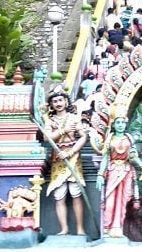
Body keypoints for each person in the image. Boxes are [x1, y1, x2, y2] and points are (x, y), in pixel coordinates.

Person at [44, 85, 87, 235]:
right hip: (58, 158)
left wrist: (72, 151)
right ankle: (64, 229)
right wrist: (62, 130)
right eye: (55, 101)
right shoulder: (50, 121)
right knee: (59, 195)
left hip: (73, 157)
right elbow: (47, 138)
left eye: (61, 100)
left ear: (66, 102)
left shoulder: (74, 118)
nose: (58, 103)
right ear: (51, 105)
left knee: (76, 193)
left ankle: (80, 229)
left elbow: (83, 137)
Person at [96, 116, 141, 238]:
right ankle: (107, 227)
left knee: (123, 201)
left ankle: (118, 227)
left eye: (122, 122)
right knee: (109, 201)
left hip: (126, 172)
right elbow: (105, 157)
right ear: (113, 125)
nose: (120, 125)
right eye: (118, 122)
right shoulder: (110, 139)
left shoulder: (129, 139)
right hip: (112, 171)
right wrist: (100, 174)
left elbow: (133, 156)